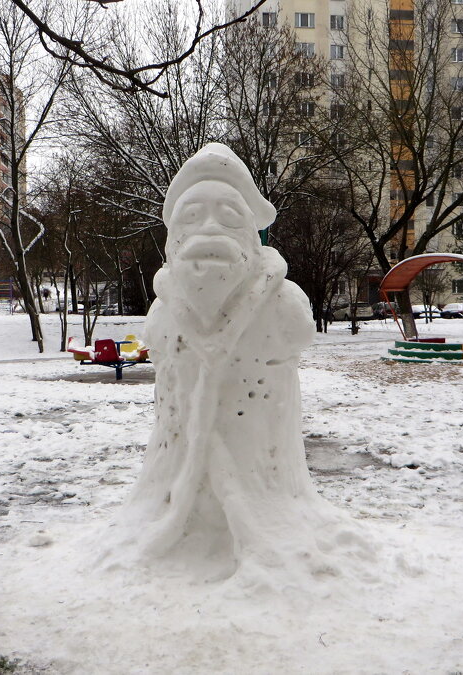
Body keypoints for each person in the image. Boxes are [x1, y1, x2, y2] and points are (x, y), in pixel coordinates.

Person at [105, 144, 373, 585]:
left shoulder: (283, 304)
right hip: (175, 475)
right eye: (192, 216)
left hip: (263, 478)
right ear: (173, 237)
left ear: (250, 232)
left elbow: (300, 334)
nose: (209, 228)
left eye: (228, 216)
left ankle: (257, 530)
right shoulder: (162, 312)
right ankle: (181, 520)